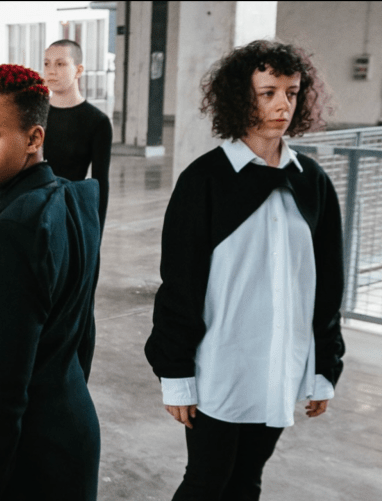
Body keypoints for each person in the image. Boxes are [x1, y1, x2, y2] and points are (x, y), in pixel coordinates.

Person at [145, 40, 343, 501]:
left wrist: (325, 367)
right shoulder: (204, 180)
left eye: (291, 93)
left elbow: (327, 285)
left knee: (247, 481)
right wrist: (176, 374)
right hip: (221, 366)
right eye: (267, 93)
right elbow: (180, 285)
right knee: (206, 482)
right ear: (240, 98)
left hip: (282, 364)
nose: (282, 105)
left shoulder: (312, 182)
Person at [0, 64, 101, 501]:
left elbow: (2, 391)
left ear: (33, 139)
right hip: (70, 428)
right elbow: (83, 335)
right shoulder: (73, 199)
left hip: (25, 455)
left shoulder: (15, 232)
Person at [42, 39, 112, 231]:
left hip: (70, 212)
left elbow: (100, 184)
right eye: (47, 64)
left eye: (60, 64)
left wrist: (95, 235)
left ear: (78, 70)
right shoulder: (34, 115)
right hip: (32, 210)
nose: (51, 71)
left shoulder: (97, 121)